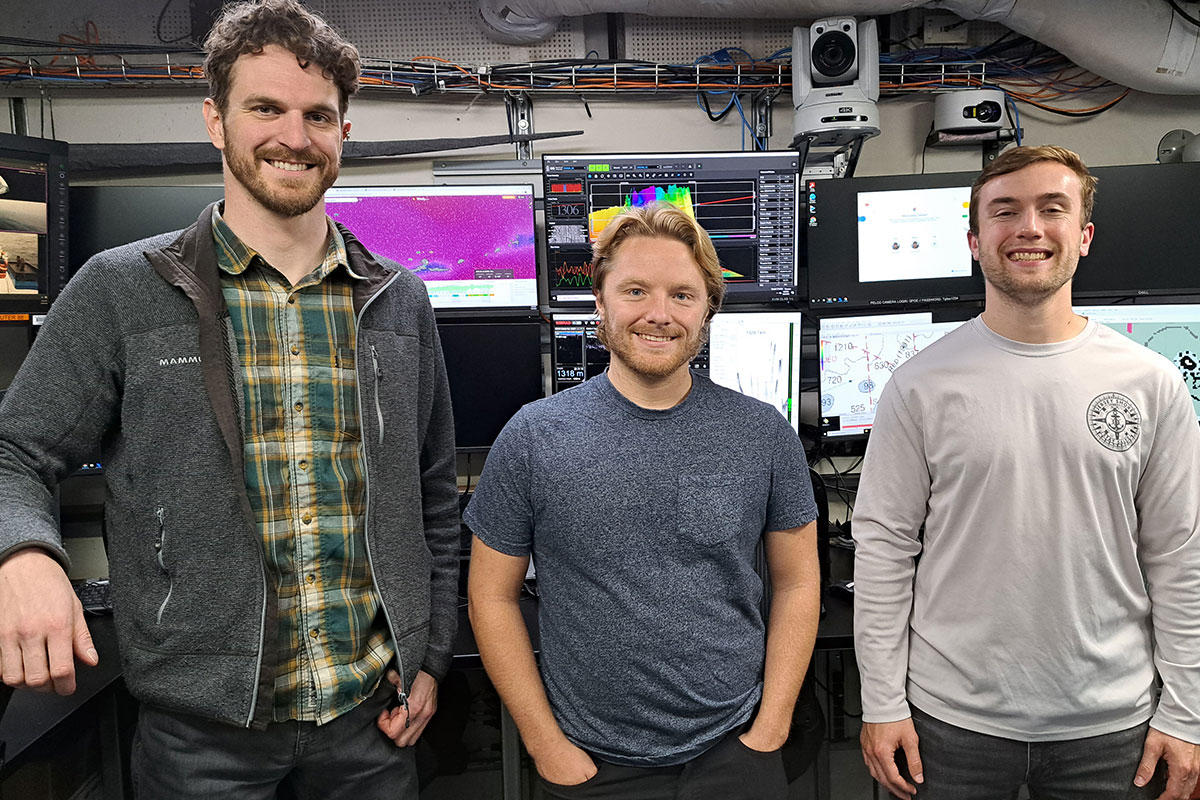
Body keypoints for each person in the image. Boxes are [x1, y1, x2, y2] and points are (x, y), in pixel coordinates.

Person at [0, 0, 460, 796]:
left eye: (319, 114)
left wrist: (432, 658)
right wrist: (24, 554)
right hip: (199, 742)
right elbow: (15, 452)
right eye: (266, 108)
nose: (294, 134)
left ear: (343, 132)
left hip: (372, 724)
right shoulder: (120, 292)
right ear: (216, 121)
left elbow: (434, 499)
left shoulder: (399, 301)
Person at [853, 144, 1200, 800]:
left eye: (1052, 209)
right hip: (949, 726)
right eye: (1005, 211)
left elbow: (1181, 558)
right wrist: (881, 703)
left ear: (1084, 236)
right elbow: (882, 554)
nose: (1029, 227)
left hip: (1113, 728)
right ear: (975, 241)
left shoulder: (1151, 384)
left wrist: (1187, 711)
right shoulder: (919, 385)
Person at [465, 202, 821, 800]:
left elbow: (798, 583)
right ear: (599, 303)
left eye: (683, 295)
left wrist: (772, 725)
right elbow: (490, 596)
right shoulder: (532, 436)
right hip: (591, 764)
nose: (659, 314)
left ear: (708, 309)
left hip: (734, 750)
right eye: (635, 291)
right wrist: (544, 743)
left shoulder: (762, 434)